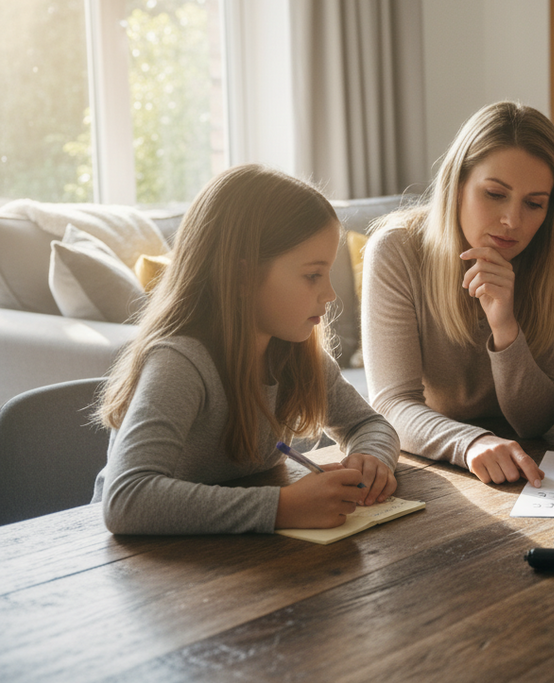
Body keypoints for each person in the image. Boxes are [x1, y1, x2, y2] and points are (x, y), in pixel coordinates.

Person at [94, 164, 400, 535]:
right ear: (242, 276)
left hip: (235, 558)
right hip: (138, 569)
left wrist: (372, 458)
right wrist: (281, 508)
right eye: (312, 275)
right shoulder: (180, 363)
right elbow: (127, 499)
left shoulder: (293, 354)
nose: (330, 295)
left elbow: (368, 423)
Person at [361, 102, 554, 488]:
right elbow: (392, 404)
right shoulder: (397, 249)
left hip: (530, 466)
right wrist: (471, 442)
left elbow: (537, 420)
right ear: (458, 184)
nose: (513, 221)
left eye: (534, 204)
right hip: (439, 459)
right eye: (495, 194)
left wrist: (505, 326)